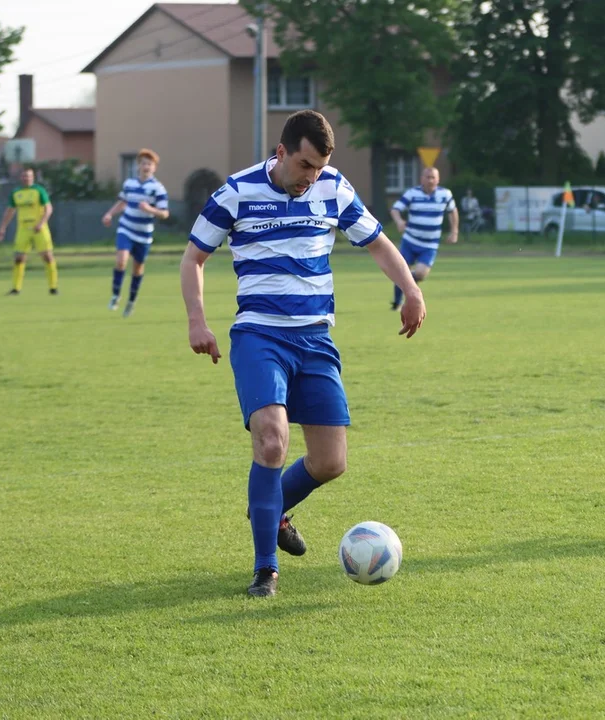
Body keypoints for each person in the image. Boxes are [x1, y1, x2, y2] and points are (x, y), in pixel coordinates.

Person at [180, 110, 425, 597]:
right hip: (259, 336)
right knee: (272, 440)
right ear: (281, 152)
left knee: (331, 461)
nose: (310, 177)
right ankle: (265, 570)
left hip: (315, 338)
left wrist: (411, 290)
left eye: (318, 167)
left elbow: (377, 243)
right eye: (305, 165)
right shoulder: (236, 191)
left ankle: (267, 507)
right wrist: (197, 320)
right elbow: (194, 258)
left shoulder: (333, 187)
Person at [102, 149, 169, 317]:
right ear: (138, 165)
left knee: (138, 268)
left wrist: (149, 209)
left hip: (144, 234)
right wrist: (110, 214)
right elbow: (123, 202)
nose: (146, 166)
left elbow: (164, 213)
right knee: (121, 260)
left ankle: (131, 301)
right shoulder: (129, 183)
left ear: (155, 168)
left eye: (150, 164)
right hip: (126, 228)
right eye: (143, 163)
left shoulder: (158, 188)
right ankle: (116, 295)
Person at [389, 167, 458, 310]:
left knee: (419, 274)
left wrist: (454, 231)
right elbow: (395, 209)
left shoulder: (445, 194)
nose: (430, 180)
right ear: (422, 178)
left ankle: (407, 286)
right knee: (402, 270)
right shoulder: (412, 193)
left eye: (433, 177)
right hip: (410, 241)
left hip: (430, 244)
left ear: (438, 179)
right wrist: (399, 221)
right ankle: (397, 302)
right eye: (427, 177)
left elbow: (452, 211)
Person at [0, 167, 58, 295]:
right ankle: (16, 288)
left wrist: (41, 224)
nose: (26, 178)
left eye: (29, 176)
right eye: (24, 176)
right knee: (19, 258)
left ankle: (53, 287)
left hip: (39, 228)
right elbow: (10, 211)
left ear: (33, 177)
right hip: (23, 229)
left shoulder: (39, 190)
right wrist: (2, 227)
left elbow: (48, 209)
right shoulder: (16, 192)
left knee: (47, 256)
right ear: (21, 178)